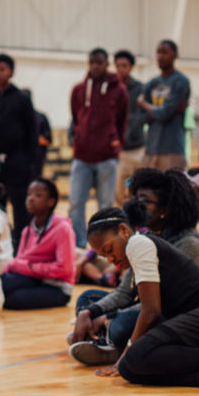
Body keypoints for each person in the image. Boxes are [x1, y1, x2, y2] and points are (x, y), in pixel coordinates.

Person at [81, 208, 199, 396]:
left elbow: (151, 311)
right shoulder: (135, 250)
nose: (109, 258)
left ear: (123, 230)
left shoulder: (137, 244)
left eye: (108, 249)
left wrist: (124, 355)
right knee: (131, 370)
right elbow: (133, 299)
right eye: (103, 256)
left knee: (132, 358)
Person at [69, 169, 199, 366]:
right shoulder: (145, 238)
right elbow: (124, 292)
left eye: (145, 200)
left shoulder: (190, 243)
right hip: (153, 307)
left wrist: (107, 318)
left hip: (183, 314)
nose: (136, 205)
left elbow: (158, 304)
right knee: (87, 300)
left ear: (165, 208)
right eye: (135, 198)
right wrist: (91, 312)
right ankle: (108, 341)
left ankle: (111, 342)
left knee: (121, 324)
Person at [0, 53, 39, 246]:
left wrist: (29, 162)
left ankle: (22, 244)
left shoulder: (21, 99)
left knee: (20, 207)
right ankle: (0, 244)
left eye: (2, 69)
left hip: (16, 162)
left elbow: (32, 132)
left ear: (11, 72)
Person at [68, 47, 129, 248]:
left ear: (106, 64)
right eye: (92, 62)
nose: (95, 66)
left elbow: (122, 121)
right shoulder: (78, 90)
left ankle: (103, 244)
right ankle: (79, 243)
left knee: (105, 205)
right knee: (76, 203)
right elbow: (76, 119)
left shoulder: (119, 90)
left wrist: (114, 143)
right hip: (82, 155)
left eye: (99, 62)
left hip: (107, 156)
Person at [0, 179, 75, 310]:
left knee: (13, 299)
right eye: (29, 194)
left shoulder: (63, 228)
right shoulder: (27, 230)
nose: (31, 199)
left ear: (51, 202)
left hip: (57, 287)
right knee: (0, 285)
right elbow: (20, 262)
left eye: (38, 195)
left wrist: (29, 267)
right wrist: (22, 267)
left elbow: (63, 268)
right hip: (33, 279)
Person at [139, 40, 191, 171]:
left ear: (175, 55)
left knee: (173, 189)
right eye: (158, 52)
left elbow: (164, 113)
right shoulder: (151, 83)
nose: (160, 56)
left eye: (165, 52)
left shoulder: (181, 81)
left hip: (172, 148)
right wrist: (164, 111)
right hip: (151, 148)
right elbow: (142, 118)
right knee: (147, 189)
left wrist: (145, 105)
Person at [113, 50, 146, 205]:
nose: (121, 69)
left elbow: (146, 114)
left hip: (138, 148)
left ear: (131, 67)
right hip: (119, 151)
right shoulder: (111, 89)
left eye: (124, 65)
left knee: (140, 190)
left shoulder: (140, 88)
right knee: (119, 193)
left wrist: (132, 125)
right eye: (118, 65)